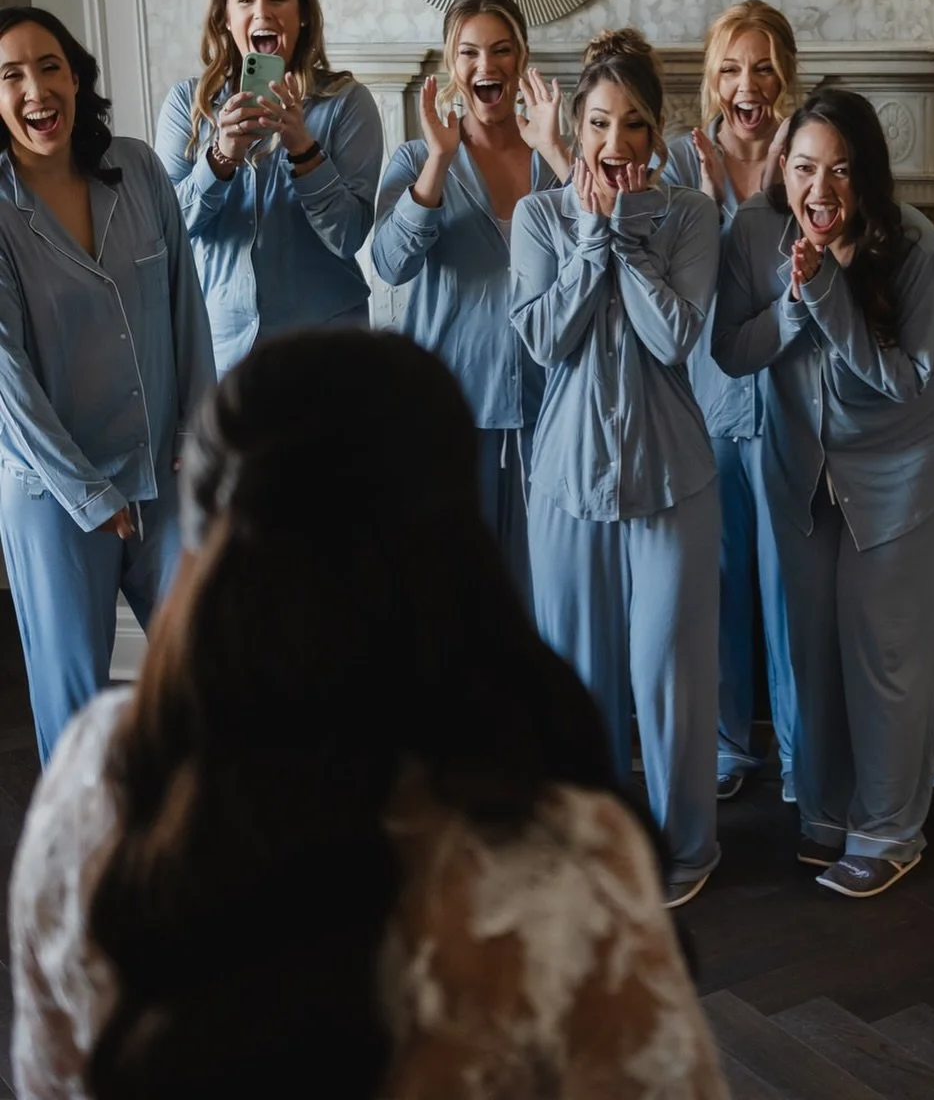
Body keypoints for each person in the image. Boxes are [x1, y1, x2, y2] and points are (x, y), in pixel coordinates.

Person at [8, 330, 728, 1099]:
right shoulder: (564, 860)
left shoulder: (93, 789)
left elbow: (51, 1079)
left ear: (209, 537)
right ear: (456, 541)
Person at [713, 86, 934, 899]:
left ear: (868, 177)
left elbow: (901, 383)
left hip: (902, 474)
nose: (821, 191)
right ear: (782, 168)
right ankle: (825, 815)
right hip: (798, 470)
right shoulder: (753, 235)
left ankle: (891, 830)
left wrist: (826, 296)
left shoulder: (915, 244)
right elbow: (730, 353)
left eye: (843, 171)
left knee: (887, 654)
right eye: (806, 168)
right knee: (809, 651)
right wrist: (792, 305)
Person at [510, 29, 721, 909]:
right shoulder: (538, 218)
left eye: (634, 125)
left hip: (670, 477)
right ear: (581, 126)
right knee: (578, 677)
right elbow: (543, 338)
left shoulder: (691, 216)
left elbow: (675, 336)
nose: (615, 143)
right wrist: (591, 235)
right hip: (566, 481)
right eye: (600, 123)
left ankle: (685, 848)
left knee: (667, 677)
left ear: (657, 131)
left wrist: (628, 240)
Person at [0, 6, 214, 764]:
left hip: (164, 476)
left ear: (76, 76)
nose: (35, 88)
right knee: (74, 709)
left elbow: (187, 304)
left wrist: (198, 431)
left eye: (48, 66)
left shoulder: (140, 168)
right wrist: (87, 494)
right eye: (10, 75)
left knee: (207, 677)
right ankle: (85, 869)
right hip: (58, 501)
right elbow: (6, 380)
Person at [370, 0, 569, 596]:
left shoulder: (556, 160)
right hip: (452, 409)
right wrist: (437, 161)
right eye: (470, 53)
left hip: (550, 407)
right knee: (456, 594)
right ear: (451, 67)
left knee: (546, 593)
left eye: (502, 50)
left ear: (522, 59)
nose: (487, 66)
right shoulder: (415, 158)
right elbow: (389, 264)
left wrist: (559, 152)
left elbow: (606, 248)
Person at [663, 0, 800, 803]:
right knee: (716, 587)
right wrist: (724, 210)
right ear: (712, 82)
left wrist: (772, 192)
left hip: (789, 406)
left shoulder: (809, 154)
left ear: (784, 70)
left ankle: (798, 749)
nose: (747, 84)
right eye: (730, 68)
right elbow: (683, 282)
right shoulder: (684, 163)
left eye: (761, 65)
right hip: (707, 404)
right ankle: (724, 749)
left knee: (790, 588)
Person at [154, 0, 383, 374]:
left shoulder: (347, 104)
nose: (262, 13)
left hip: (326, 349)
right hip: (220, 350)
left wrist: (303, 147)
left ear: (303, 15)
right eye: (245, 0)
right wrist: (221, 158)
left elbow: (349, 235)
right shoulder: (188, 105)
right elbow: (168, 233)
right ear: (225, 17)